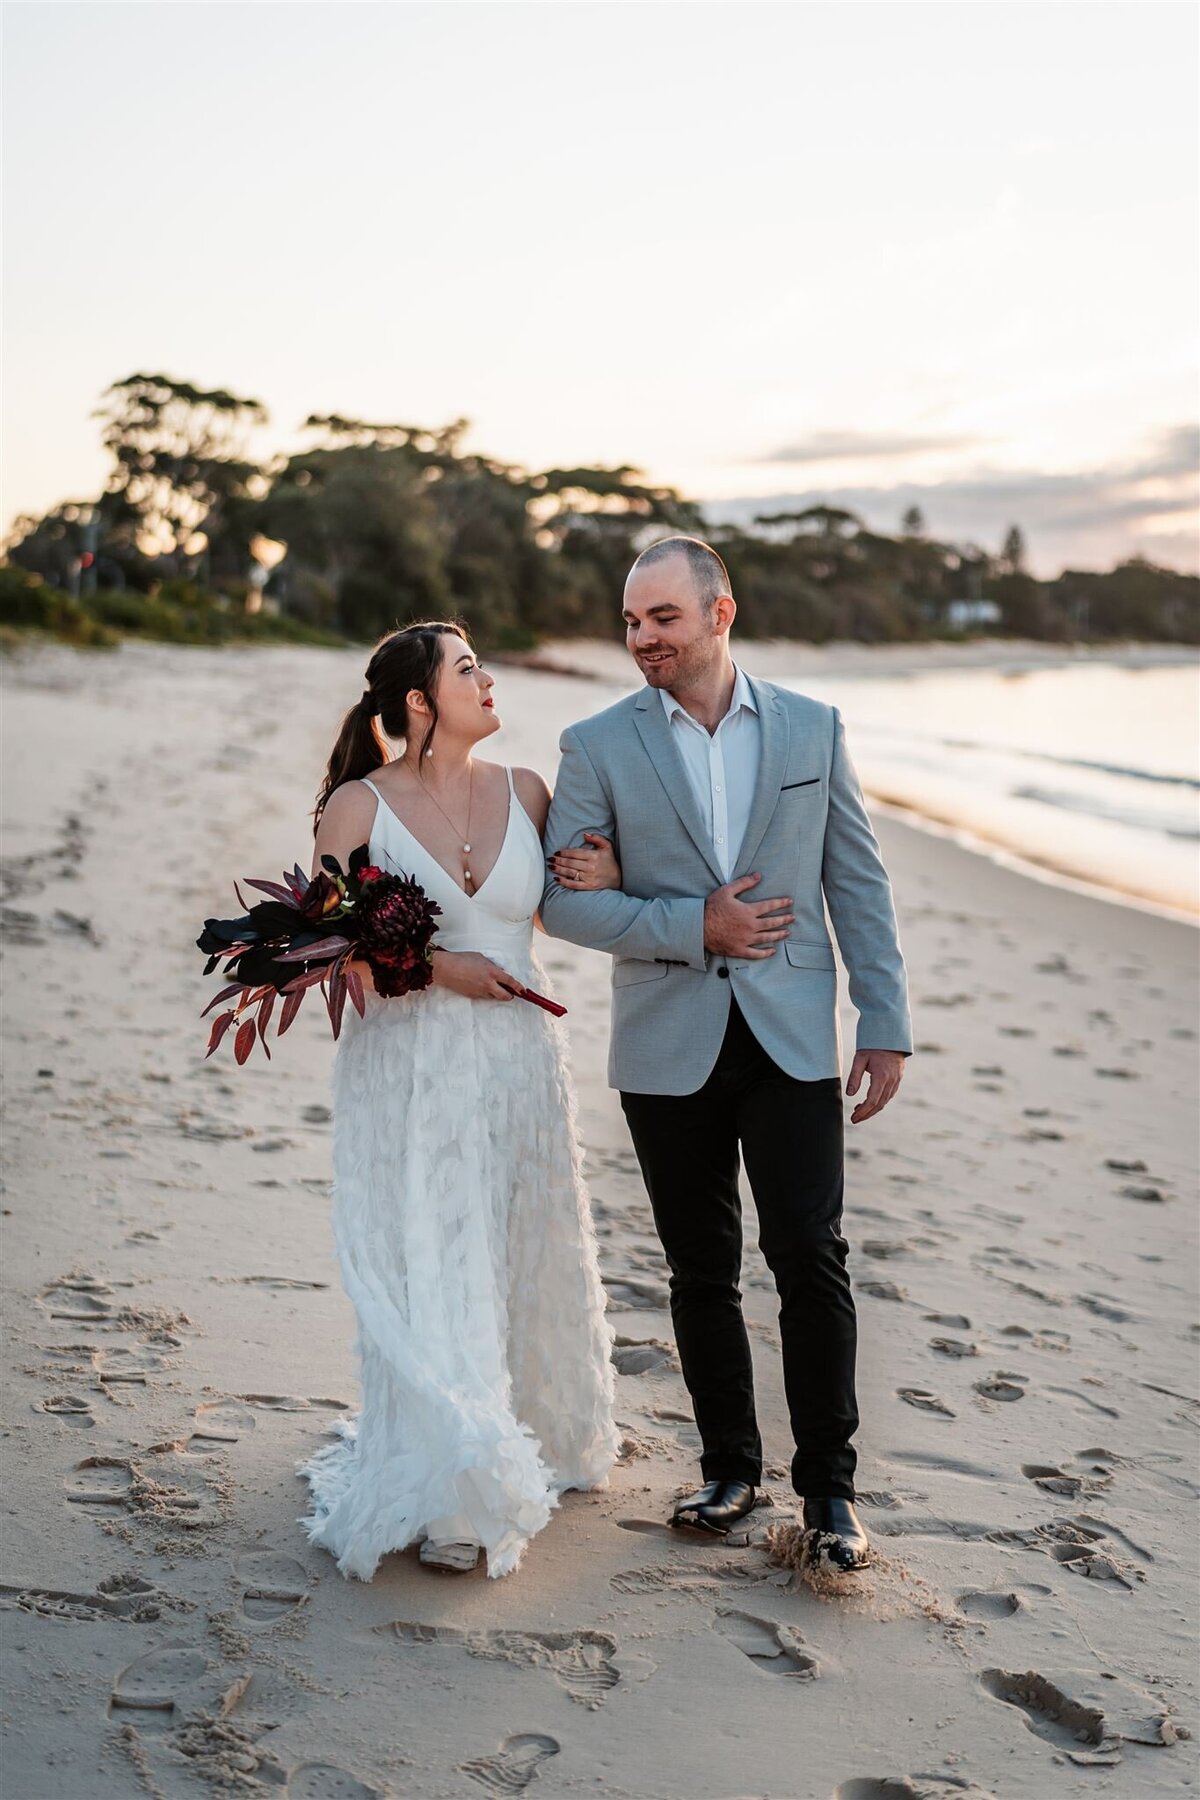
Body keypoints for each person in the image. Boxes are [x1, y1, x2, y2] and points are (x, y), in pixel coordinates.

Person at [542, 538, 912, 1572]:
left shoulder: (810, 727)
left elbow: (858, 883)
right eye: (630, 621)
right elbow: (565, 901)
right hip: (668, 1044)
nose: (643, 638)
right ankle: (729, 1468)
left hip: (792, 1036)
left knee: (811, 1257)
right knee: (699, 1268)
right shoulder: (596, 744)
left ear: (720, 613)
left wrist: (883, 1019)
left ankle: (830, 1493)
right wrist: (686, 925)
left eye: (662, 618)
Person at [300, 620, 621, 1579]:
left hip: (521, 1059)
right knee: (441, 1246)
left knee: (515, 1240)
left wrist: (603, 869)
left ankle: (524, 1431)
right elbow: (321, 943)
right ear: (418, 702)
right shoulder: (358, 808)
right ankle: (453, 1487)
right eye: (467, 668)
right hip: (411, 1062)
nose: (489, 680)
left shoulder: (527, 791)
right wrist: (440, 966)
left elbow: (571, 901)